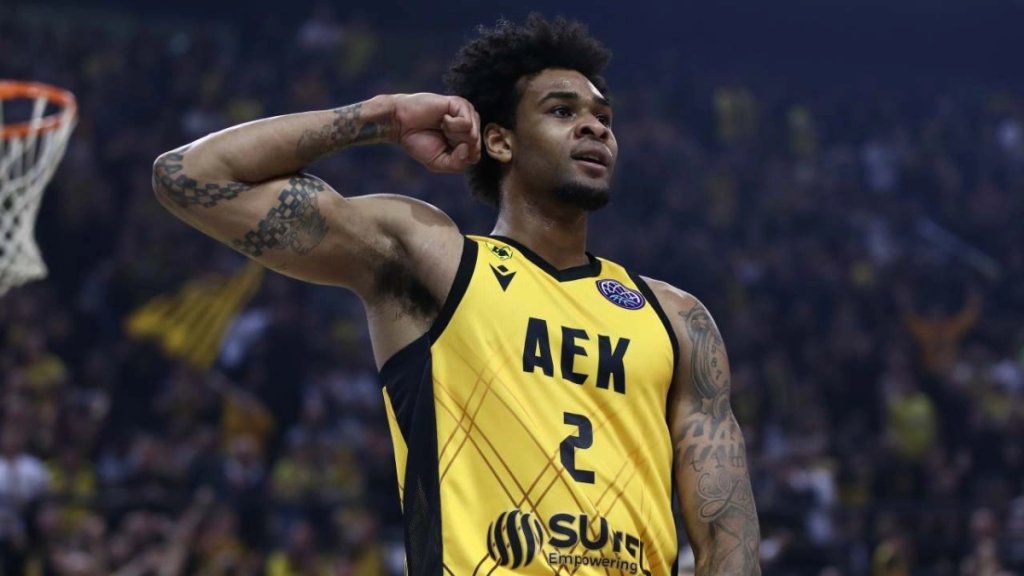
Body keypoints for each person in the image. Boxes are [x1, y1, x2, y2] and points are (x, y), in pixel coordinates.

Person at [152, 14, 760, 575]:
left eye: (604, 116)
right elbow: (190, 176)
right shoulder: (434, 260)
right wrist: (385, 117)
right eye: (561, 110)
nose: (594, 126)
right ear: (501, 141)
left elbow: (726, 543)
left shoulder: (676, 318)